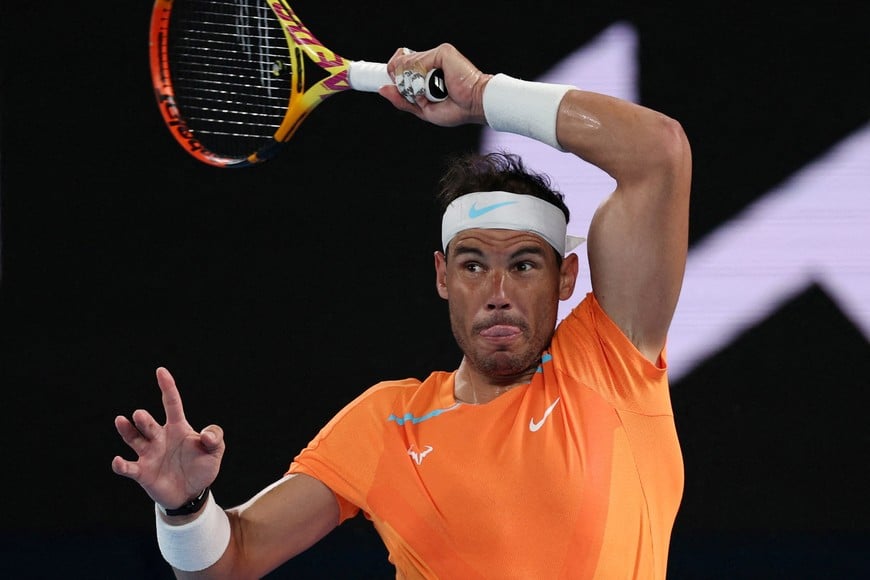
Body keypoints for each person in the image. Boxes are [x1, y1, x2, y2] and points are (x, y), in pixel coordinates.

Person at [112, 42, 692, 579]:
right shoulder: (387, 425)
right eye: (472, 266)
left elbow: (658, 152)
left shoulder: (610, 362)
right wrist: (186, 509)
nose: (498, 291)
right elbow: (230, 561)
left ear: (564, 278)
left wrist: (481, 94)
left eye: (523, 265)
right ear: (442, 276)